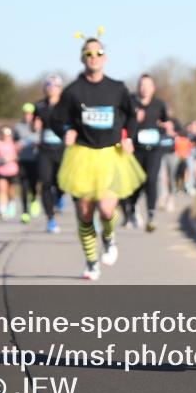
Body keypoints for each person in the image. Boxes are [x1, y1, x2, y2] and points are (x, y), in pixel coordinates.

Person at [52, 33, 145, 280]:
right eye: (89, 54)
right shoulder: (73, 91)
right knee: (84, 213)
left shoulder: (117, 88)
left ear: (106, 58)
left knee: (106, 210)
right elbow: (56, 119)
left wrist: (129, 138)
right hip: (82, 155)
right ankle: (91, 261)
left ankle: (109, 236)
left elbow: (132, 115)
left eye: (98, 53)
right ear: (83, 59)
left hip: (111, 155)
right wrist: (66, 131)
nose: (94, 57)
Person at [121, 74, 167, 232]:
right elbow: (121, 121)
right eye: (142, 85)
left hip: (154, 149)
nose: (144, 88)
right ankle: (131, 206)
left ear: (153, 88)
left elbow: (165, 122)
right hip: (136, 149)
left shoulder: (159, 104)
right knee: (137, 182)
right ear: (138, 87)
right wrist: (134, 119)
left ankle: (151, 215)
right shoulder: (131, 102)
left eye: (148, 85)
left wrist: (165, 128)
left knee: (152, 180)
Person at [34, 74, 66, 233]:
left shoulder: (66, 105)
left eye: (55, 86)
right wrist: (35, 126)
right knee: (45, 183)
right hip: (45, 150)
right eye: (48, 85)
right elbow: (34, 126)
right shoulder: (39, 106)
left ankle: (60, 196)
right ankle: (50, 219)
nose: (51, 88)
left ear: (60, 88)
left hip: (62, 149)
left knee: (61, 181)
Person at [14, 103, 41, 223]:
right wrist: (16, 146)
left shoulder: (38, 125)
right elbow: (14, 142)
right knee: (23, 186)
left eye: (30, 114)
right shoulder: (18, 127)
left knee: (33, 184)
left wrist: (28, 142)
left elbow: (40, 139)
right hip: (23, 159)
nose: (27, 116)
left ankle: (34, 199)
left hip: (35, 159)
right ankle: (25, 212)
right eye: (25, 113)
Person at [0, 125, 20, 220]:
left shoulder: (14, 144)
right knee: (2, 189)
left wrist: (10, 158)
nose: (6, 136)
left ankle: (12, 204)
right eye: (4, 134)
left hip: (12, 170)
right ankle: (2, 209)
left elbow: (17, 156)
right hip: (1, 170)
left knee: (10, 190)